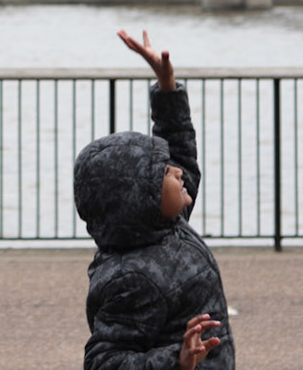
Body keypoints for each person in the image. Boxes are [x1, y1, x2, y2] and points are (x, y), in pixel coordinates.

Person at [74, 30, 229, 370]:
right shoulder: (134, 278)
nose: (176, 171)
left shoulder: (165, 226)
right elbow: (104, 361)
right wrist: (176, 359)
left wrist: (167, 85)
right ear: (141, 201)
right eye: (164, 173)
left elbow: (180, 151)